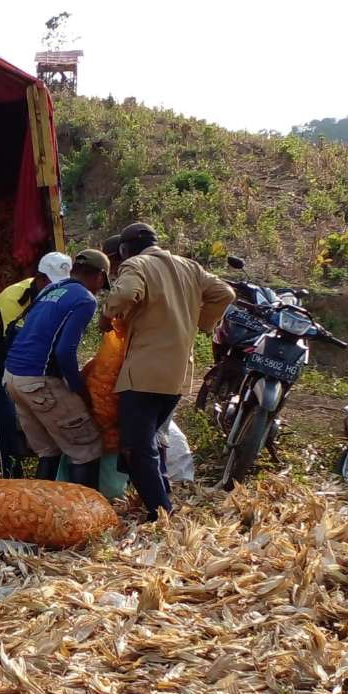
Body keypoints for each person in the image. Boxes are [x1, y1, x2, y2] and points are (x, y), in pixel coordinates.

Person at [104, 222, 235, 521]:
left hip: (144, 371)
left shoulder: (136, 264)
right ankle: (160, 494)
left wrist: (108, 313)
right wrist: (201, 321)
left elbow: (124, 295)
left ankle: (162, 512)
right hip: (177, 374)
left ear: (125, 250)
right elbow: (225, 293)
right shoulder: (189, 266)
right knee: (153, 438)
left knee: (138, 448)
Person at [4, 250, 111, 490]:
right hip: (37, 381)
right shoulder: (85, 299)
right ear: (101, 277)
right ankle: (87, 517)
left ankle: (40, 514)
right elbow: (64, 352)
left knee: (48, 451)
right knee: (86, 448)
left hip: (12, 377)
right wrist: (80, 391)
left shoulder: (50, 291)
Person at [0, 251, 72, 478]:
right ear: (38, 278)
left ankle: (49, 474)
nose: (54, 289)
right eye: (50, 283)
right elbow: (19, 341)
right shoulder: (13, 297)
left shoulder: (62, 295)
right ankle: (11, 477)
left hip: (34, 365)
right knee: (5, 421)